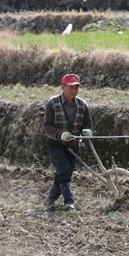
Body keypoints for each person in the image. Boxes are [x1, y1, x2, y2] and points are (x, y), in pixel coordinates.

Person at [43, 73, 92, 210]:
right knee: (64, 171)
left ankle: (50, 199)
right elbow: (47, 126)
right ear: (62, 87)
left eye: (76, 87)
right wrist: (60, 134)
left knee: (63, 174)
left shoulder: (83, 105)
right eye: (70, 87)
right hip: (56, 144)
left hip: (73, 145)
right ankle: (69, 201)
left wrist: (87, 132)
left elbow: (87, 125)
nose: (73, 90)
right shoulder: (52, 104)